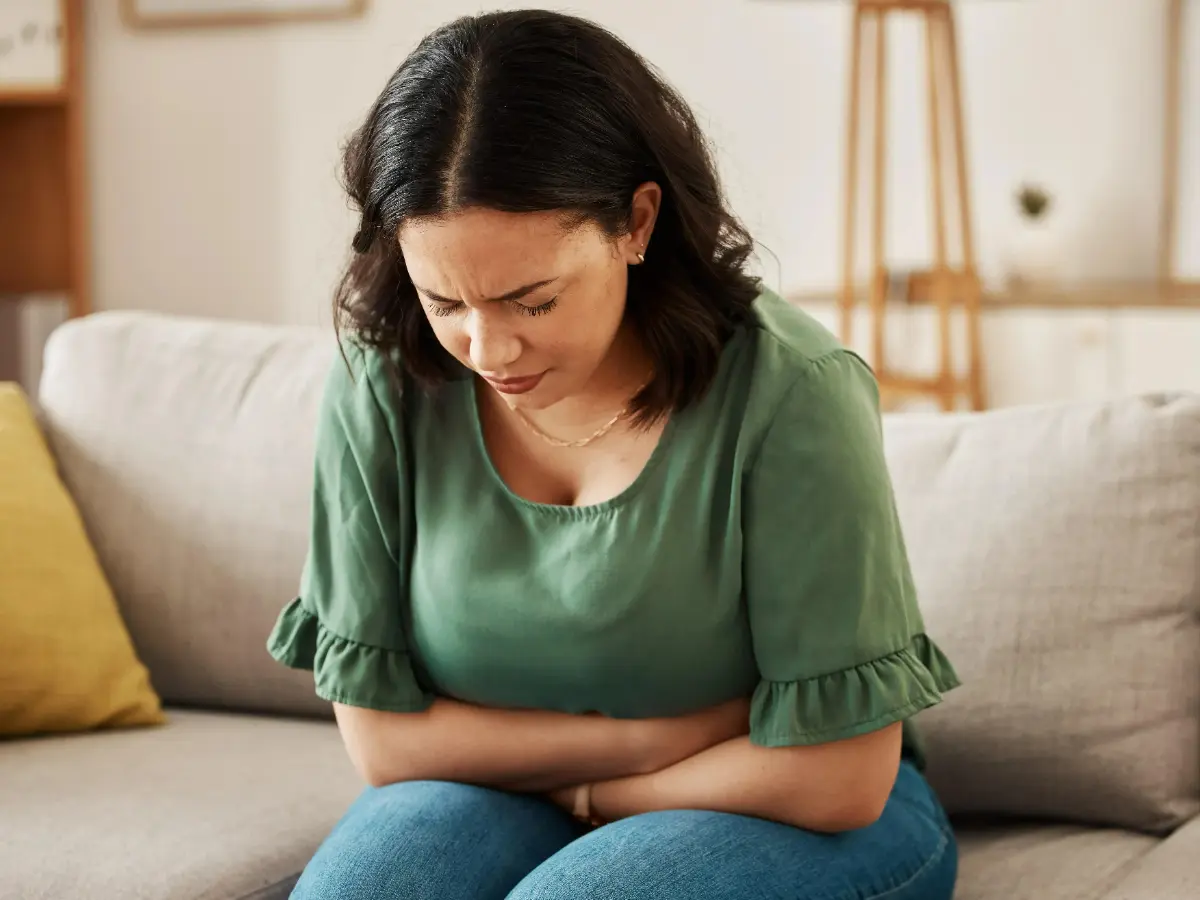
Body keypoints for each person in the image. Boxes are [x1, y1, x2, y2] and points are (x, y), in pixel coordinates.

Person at [267, 9, 961, 899]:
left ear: (636, 222)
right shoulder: (384, 381)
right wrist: (644, 743)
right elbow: (384, 742)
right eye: (445, 301)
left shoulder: (792, 392)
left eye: (533, 300)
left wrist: (597, 797)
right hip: (531, 793)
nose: (488, 350)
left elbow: (838, 777)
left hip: (800, 812)